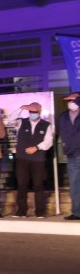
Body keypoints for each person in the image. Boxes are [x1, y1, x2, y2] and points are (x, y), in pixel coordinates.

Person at [8, 102, 53, 218]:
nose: (32, 114)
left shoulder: (46, 125)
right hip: (22, 159)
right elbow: (11, 119)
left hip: (38, 159)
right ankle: (21, 211)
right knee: (22, 185)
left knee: (38, 185)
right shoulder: (22, 122)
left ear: (40, 112)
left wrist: (37, 147)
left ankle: (40, 212)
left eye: (35, 112)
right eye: (30, 111)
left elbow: (49, 141)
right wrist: (21, 108)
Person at [56, 92, 80, 221]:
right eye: (69, 100)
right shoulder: (64, 116)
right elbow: (63, 133)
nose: (70, 102)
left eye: (73, 99)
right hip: (72, 154)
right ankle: (77, 212)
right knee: (75, 186)